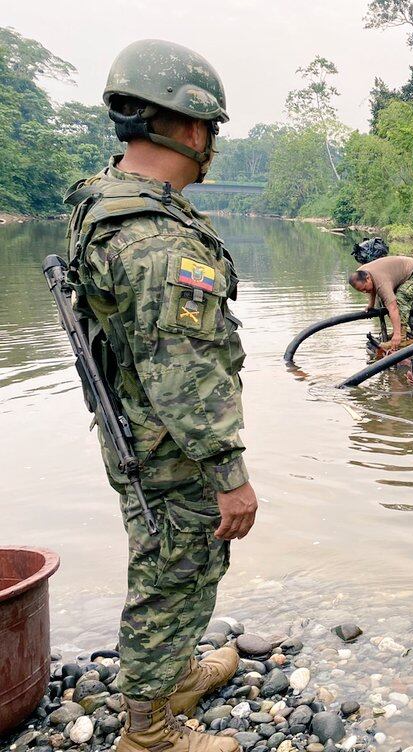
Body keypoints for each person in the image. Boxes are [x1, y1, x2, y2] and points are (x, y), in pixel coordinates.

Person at [63, 40, 255, 752]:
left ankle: (171, 678)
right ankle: (148, 732)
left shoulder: (105, 199)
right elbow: (184, 372)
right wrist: (231, 475)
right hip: (169, 445)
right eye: (213, 130)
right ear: (193, 128)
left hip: (132, 431)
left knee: (168, 558)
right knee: (175, 571)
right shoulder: (155, 240)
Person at [348, 255, 413, 351]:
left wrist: (397, 335)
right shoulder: (361, 273)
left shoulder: (381, 282)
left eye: (364, 289)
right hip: (400, 273)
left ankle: (401, 337)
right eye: (361, 291)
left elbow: (393, 308)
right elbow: (372, 288)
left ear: (368, 278)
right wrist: (371, 305)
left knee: (399, 298)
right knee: (384, 299)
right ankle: (398, 331)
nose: (365, 292)